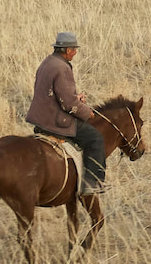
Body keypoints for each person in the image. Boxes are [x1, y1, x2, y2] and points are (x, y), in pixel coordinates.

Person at [26, 31, 106, 194]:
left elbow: (55, 94)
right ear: (68, 50)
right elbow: (69, 104)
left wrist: (76, 97)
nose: (76, 52)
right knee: (95, 138)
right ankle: (92, 184)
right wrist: (87, 112)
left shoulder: (48, 62)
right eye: (74, 49)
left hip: (40, 118)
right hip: (54, 121)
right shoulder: (62, 68)